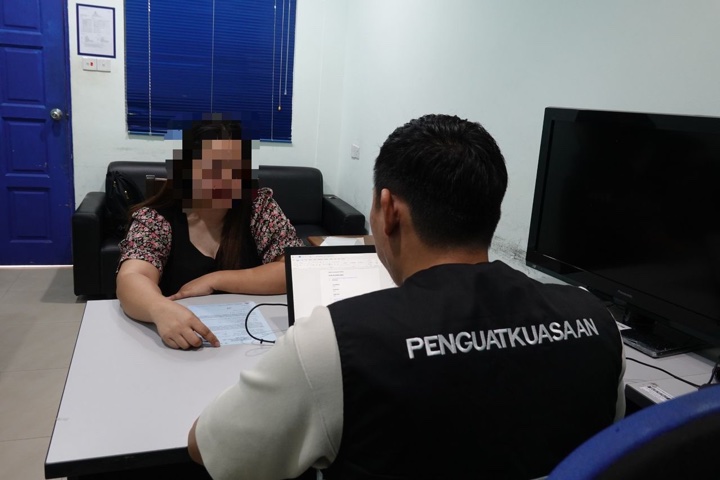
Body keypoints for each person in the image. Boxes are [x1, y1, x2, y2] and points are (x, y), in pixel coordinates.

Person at [187, 114, 626, 479]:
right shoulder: (598, 322)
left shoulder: (335, 342)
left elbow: (209, 447)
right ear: (493, 211)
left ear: (389, 210)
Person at [116, 117, 304, 350]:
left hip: (251, 340)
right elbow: (132, 278)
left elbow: (292, 269)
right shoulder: (156, 218)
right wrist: (158, 309)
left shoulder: (259, 208)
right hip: (180, 342)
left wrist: (215, 279)